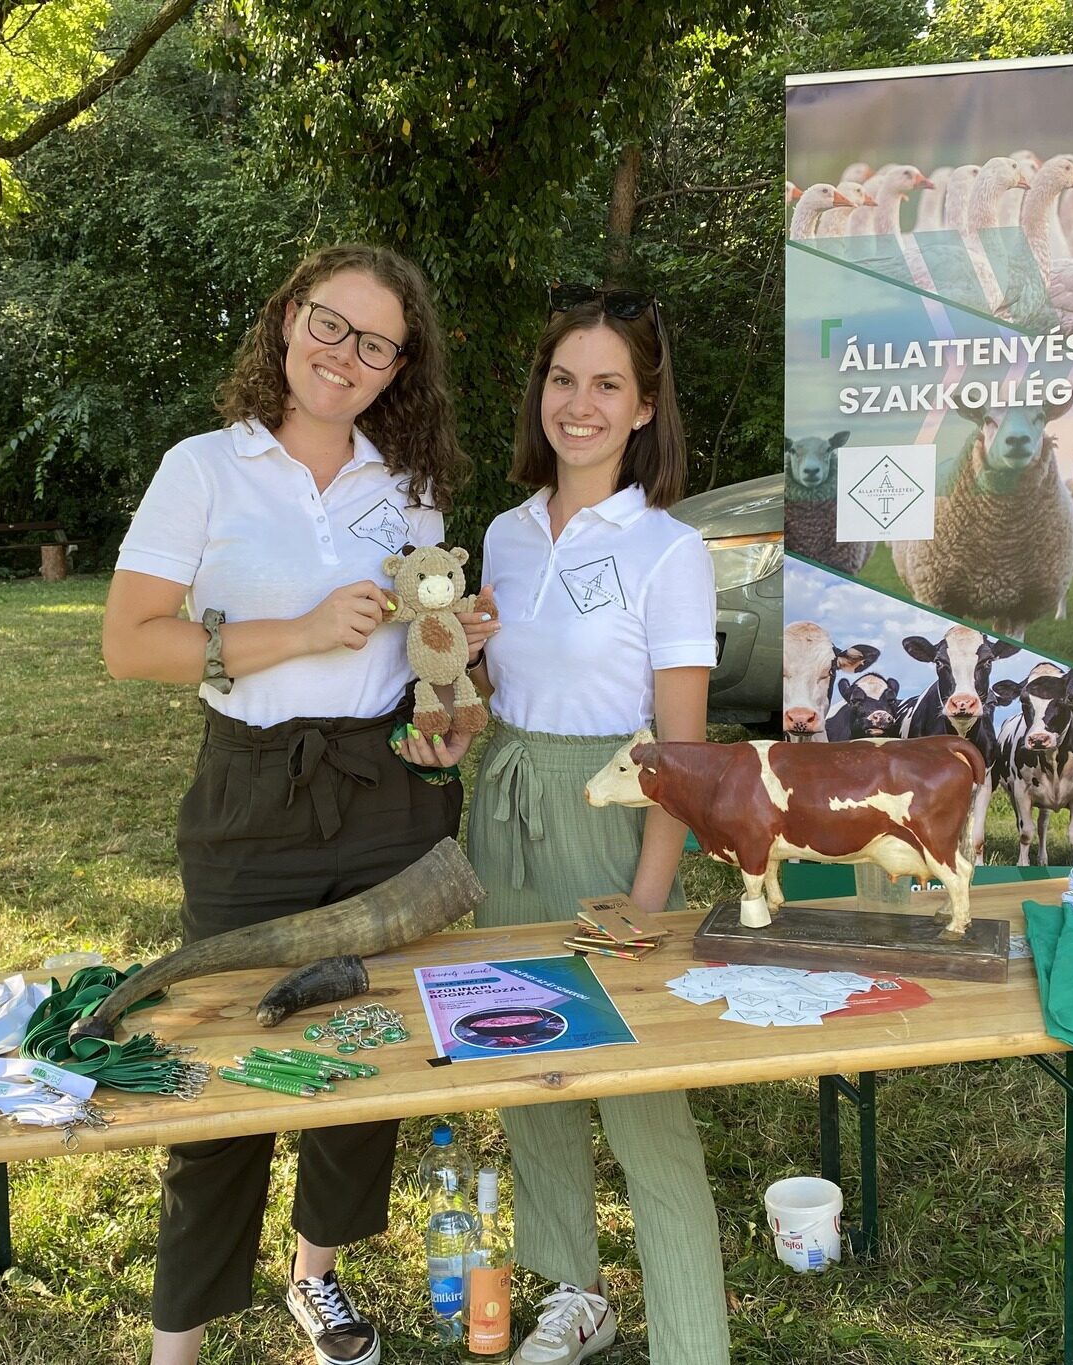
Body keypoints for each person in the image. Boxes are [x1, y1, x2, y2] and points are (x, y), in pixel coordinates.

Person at [102, 243, 490, 1365]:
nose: (345, 357)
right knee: (217, 1045)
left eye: (376, 344)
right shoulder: (202, 468)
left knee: (365, 1039)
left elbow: (428, 657)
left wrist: (458, 670)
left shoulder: (407, 484)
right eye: (330, 325)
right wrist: (301, 632)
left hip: (392, 791)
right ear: (284, 321)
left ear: (397, 366)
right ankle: (178, 1336)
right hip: (250, 792)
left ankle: (315, 1278)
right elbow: (130, 645)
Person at [402, 285, 729, 1364]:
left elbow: (677, 756)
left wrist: (645, 900)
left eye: (605, 384)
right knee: (522, 1052)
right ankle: (571, 1290)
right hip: (501, 810)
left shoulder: (669, 550)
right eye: (560, 378)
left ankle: (690, 1337)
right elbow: (491, 692)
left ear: (643, 408)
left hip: (611, 815)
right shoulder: (498, 532)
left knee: (640, 1095)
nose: (576, 404)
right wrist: (465, 681)